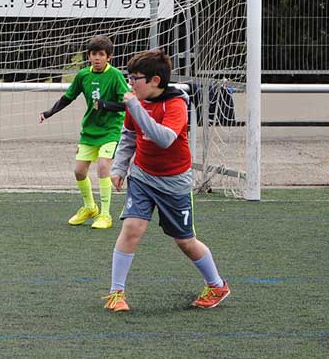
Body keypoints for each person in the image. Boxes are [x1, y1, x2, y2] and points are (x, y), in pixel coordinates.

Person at [103, 50, 229, 312]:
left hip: (174, 183)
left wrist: (135, 107)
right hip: (142, 176)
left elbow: (163, 138)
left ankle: (216, 285)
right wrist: (119, 167)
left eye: (134, 78)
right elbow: (128, 137)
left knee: (185, 241)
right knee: (132, 228)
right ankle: (116, 293)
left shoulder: (176, 105)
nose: (130, 84)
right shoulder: (137, 102)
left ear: (155, 81)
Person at [38, 35, 130, 230]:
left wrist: (105, 105)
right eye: (93, 54)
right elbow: (67, 97)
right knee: (79, 171)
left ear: (109, 57)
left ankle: (105, 214)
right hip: (90, 131)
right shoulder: (83, 75)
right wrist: (49, 113)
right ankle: (90, 207)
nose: (97, 58)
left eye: (101, 54)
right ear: (88, 56)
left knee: (104, 166)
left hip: (110, 130)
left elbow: (127, 104)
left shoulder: (115, 76)